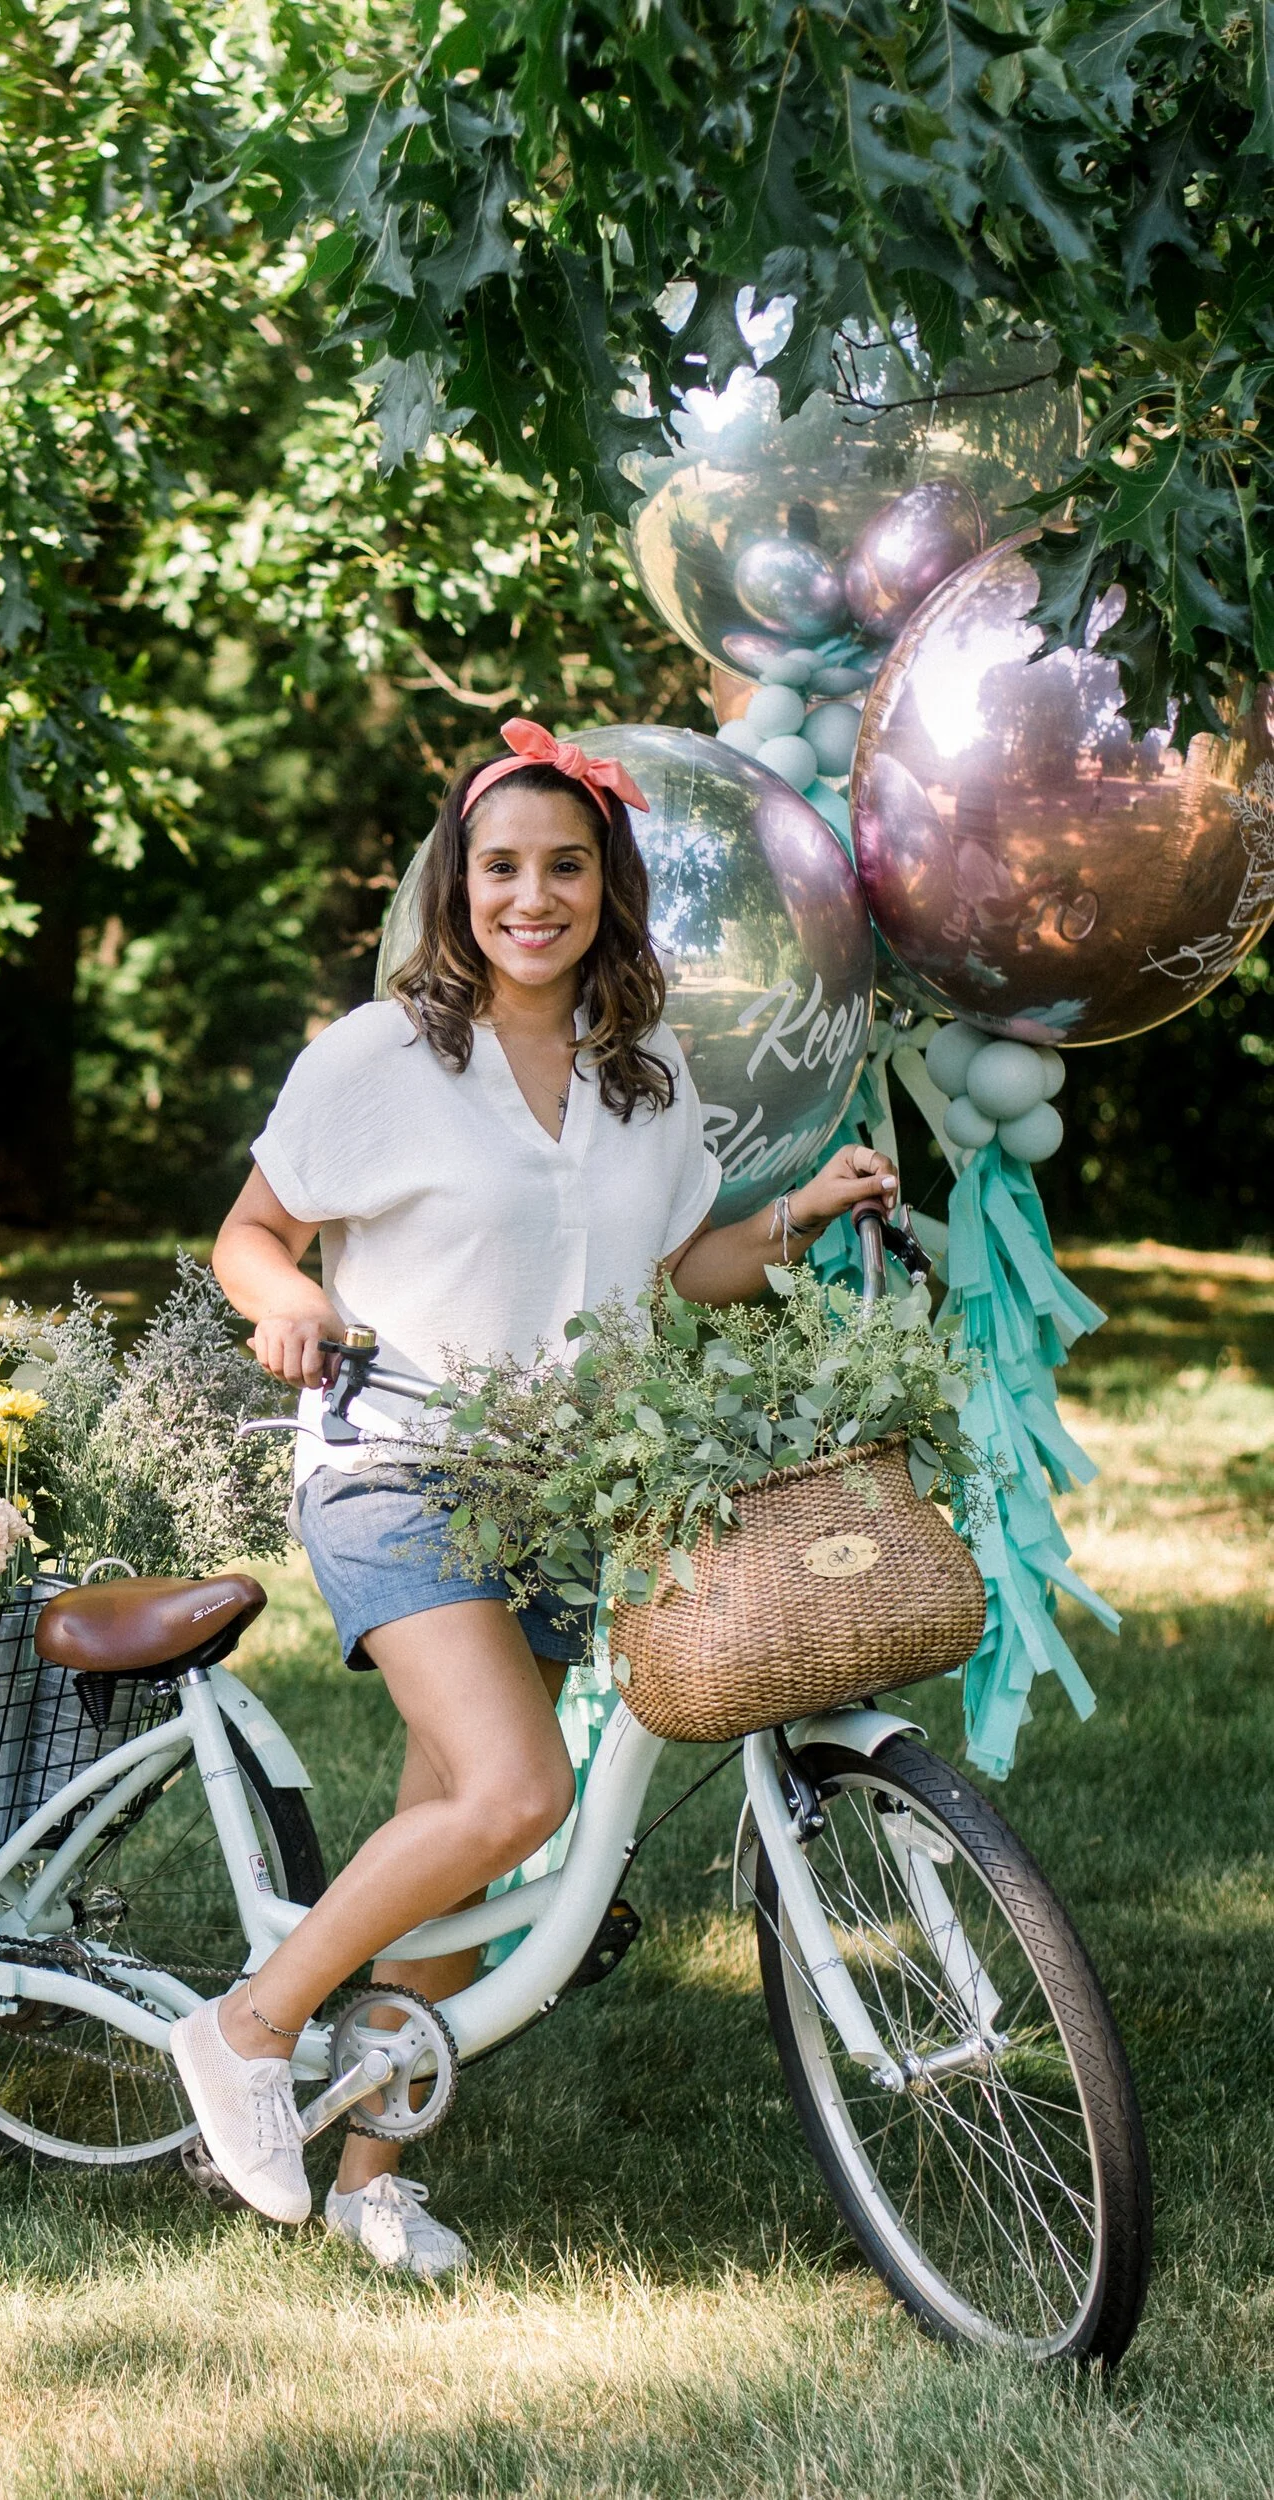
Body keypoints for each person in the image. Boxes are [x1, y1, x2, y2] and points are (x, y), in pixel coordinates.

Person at [180, 717, 897, 2280]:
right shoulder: (381, 1055)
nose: (531, 895)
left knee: (457, 1826)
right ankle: (246, 2029)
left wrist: (795, 1216)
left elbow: (673, 1269)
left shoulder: (645, 1077)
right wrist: (278, 1303)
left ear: (607, 886)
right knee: (518, 1792)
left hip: (565, 1484)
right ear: (458, 885)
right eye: (500, 866)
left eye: (564, 866)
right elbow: (251, 1229)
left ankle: (371, 2171)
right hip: (400, 1460)